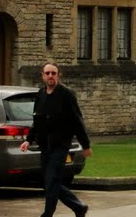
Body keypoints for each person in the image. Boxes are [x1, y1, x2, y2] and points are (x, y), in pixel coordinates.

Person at [19, 62, 92, 217]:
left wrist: (85, 145)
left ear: (58, 75)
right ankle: (78, 207)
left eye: (53, 73)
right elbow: (36, 121)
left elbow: (77, 121)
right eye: (47, 73)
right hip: (45, 146)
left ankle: (47, 214)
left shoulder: (67, 94)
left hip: (60, 146)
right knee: (50, 182)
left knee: (51, 181)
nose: (50, 76)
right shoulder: (40, 94)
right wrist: (28, 140)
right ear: (42, 76)